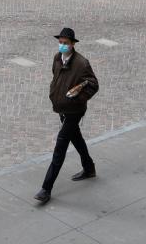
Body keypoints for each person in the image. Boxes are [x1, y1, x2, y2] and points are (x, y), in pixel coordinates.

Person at [35, 28, 99, 205]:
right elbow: (56, 77)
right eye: (60, 42)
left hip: (74, 111)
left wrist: (78, 98)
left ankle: (46, 189)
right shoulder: (57, 58)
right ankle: (89, 167)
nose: (62, 45)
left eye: (65, 43)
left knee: (60, 147)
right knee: (76, 137)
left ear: (73, 44)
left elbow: (93, 85)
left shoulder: (81, 63)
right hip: (61, 108)